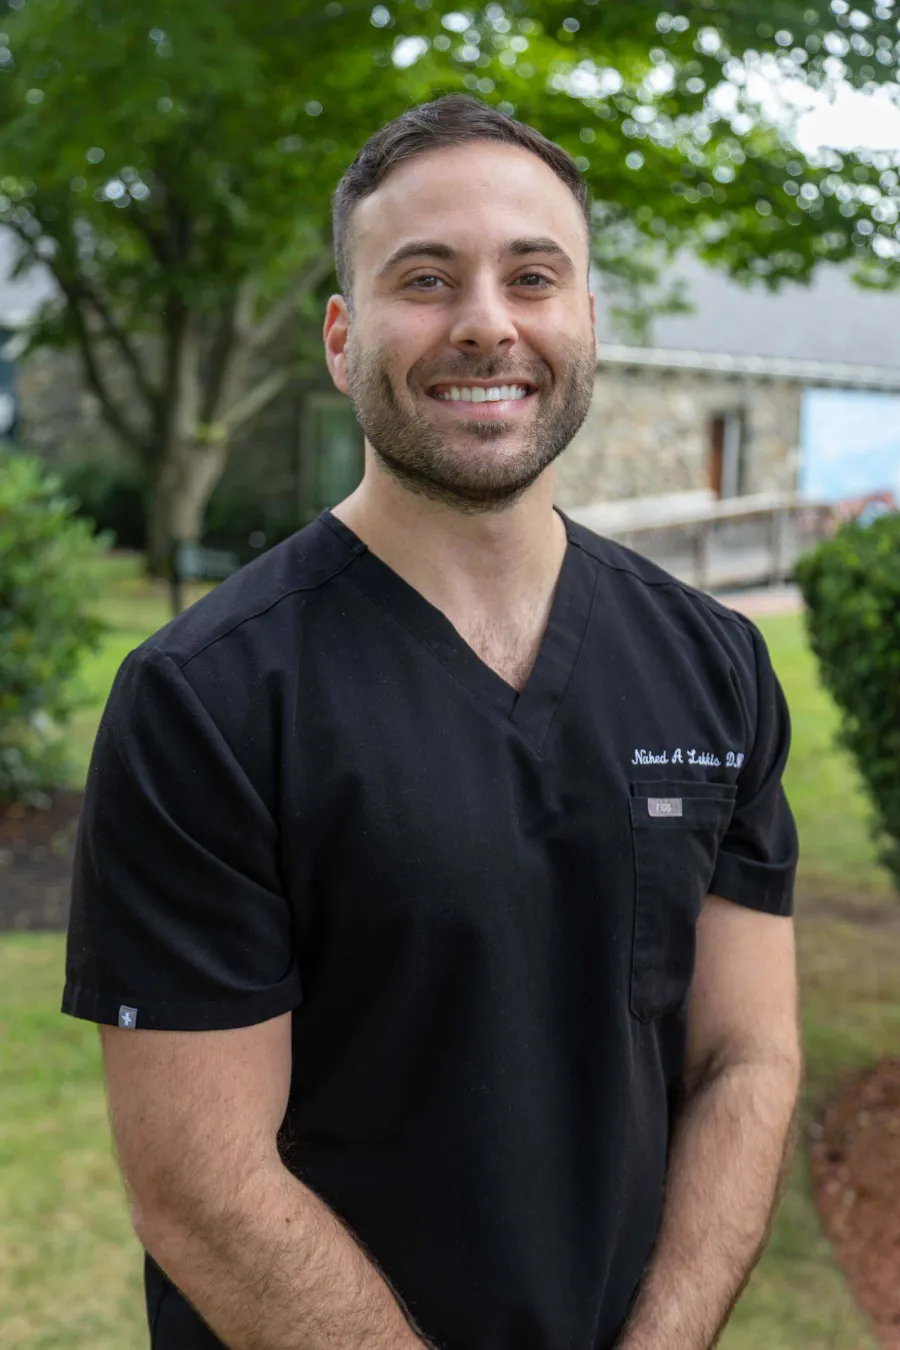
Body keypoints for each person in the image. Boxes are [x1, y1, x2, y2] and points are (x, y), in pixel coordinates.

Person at [62, 94, 802, 1350]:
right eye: (425, 278)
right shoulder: (207, 700)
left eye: (533, 277)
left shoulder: (714, 664)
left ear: (587, 322)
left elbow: (746, 1059)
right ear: (341, 337)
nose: (486, 323)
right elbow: (201, 1188)